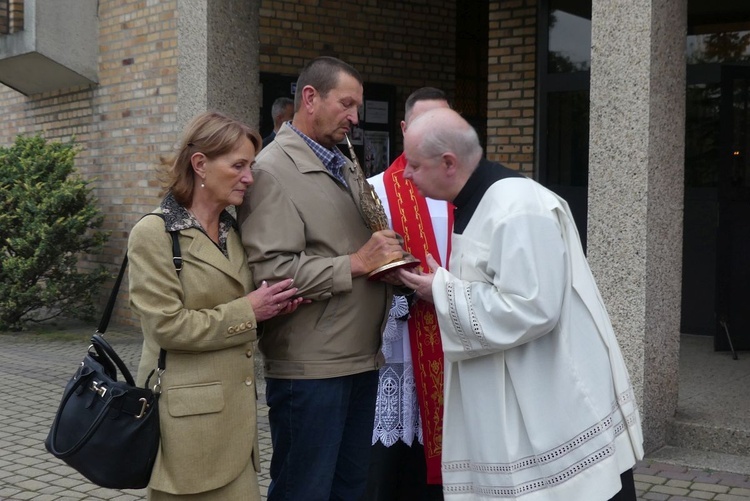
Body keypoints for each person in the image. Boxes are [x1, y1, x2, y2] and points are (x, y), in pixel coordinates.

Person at [397, 108, 644, 501]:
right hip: (520, 391)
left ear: (448, 163)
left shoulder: (516, 208)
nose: (406, 175)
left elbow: (533, 307)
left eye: (413, 165)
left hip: (550, 401)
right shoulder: (480, 199)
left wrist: (441, 292)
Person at [237, 57, 405, 501]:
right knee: (304, 490)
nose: (355, 116)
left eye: (358, 106)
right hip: (311, 366)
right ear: (310, 99)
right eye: (346, 104)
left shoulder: (343, 160)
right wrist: (357, 263)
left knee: (350, 487)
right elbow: (273, 273)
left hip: (359, 357)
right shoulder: (271, 170)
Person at [128, 111, 304, 501]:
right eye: (238, 165)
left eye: (251, 166)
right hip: (188, 431)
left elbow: (240, 317)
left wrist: (272, 309)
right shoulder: (154, 234)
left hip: (237, 429)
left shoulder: (234, 231)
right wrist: (249, 311)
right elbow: (166, 327)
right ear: (200, 164)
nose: (249, 177)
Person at [363, 87, 451, 501]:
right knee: (393, 470)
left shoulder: (466, 190)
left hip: (457, 342)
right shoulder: (375, 190)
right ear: (403, 128)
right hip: (400, 343)